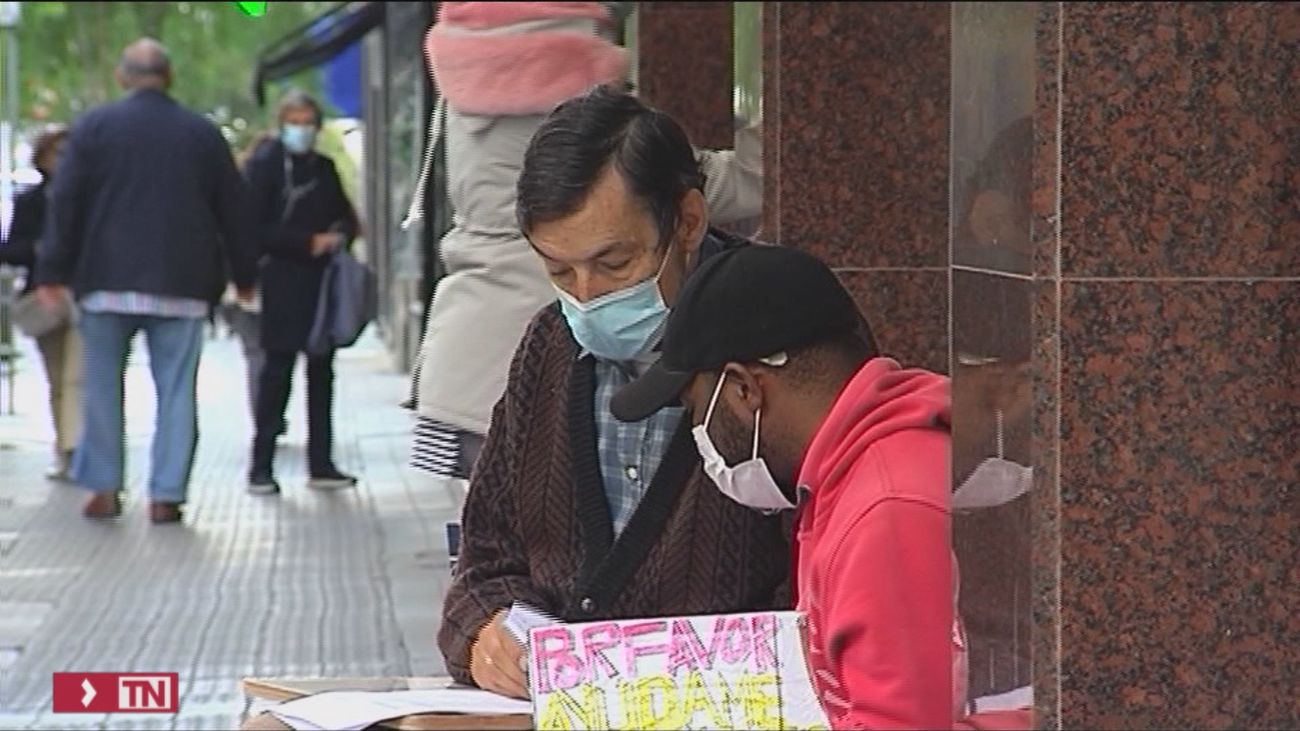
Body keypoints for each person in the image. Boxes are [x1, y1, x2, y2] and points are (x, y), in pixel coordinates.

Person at [437, 85, 789, 699]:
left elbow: (825, 592)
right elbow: (485, 557)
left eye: (614, 263)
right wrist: (486, 633)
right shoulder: (550, 344)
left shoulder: (783, 345)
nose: (587, 294)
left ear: (687, 221)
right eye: (558, 270)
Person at [611, 245, 1032, 730]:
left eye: (695, 410)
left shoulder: (885, 507)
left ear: (746, 389)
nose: (700, 434)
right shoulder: (845, 471)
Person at [408, 0, 763, 482]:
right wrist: (790, 125)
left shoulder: (475, 74)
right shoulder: (552, 78)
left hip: (468, 362)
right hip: (514, 371)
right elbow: (707, 184)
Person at [35, 38, 258, 524]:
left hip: (105, 281)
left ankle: (103, 486)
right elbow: (234, 210)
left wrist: (51, 270)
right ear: (169, 77)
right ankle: (167, 493)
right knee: (177, 388)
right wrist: (245, 276)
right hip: (182, 283)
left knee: (100, 387)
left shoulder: (95, 128)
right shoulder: (201, 134)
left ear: (122, 76)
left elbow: (66, 201)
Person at [244, 91, 360, 495]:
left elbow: (348, 217)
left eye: (308, 121)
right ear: (281, 124)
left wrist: (337, 237)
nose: (302, 129)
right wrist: (305, 242)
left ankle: (321, 463)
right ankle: (261, 465)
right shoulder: (265, 167)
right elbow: (253, 229)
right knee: (276, 373)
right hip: (282, 281)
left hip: (321, 285)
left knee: (321, 371)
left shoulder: (324, 168)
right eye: (294, 120)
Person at [0, 125, 81, 480]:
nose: (62, 161)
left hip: (84, 294)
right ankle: (66, 447)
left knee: (81, 378)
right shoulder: (31, 201)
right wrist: (36, 249)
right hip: (44, 296)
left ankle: (80, 448)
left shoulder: (90, 198)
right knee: (58, 377)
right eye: (56, 154)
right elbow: (10, 248)